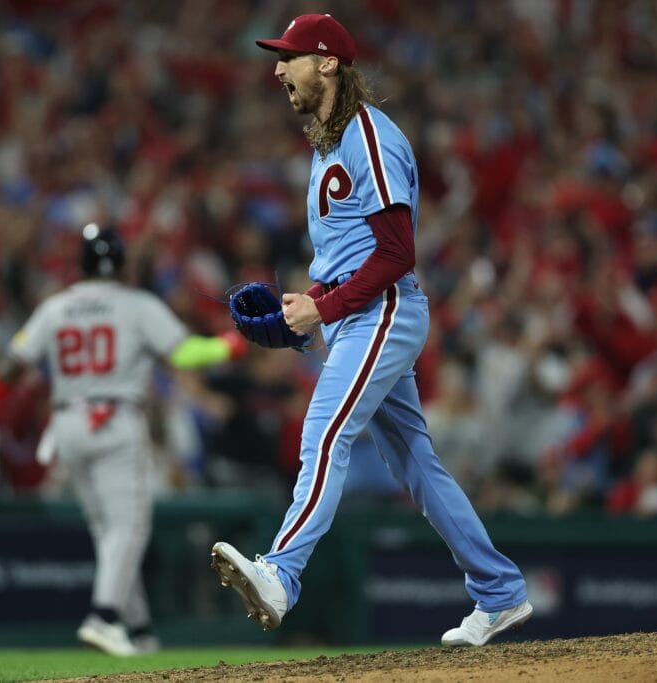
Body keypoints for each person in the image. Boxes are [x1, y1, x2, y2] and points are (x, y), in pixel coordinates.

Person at [210, 14, 532, 647]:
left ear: (328, 62)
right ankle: (500, 592)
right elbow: (354, 258)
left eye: (291, 57)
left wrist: (325, 310)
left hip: (384, 308)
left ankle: (281, 572)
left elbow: (396, 253)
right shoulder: (328, 144)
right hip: (360, 310)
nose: (278, 69)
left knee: (325, 433)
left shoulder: (368, 135)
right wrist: (302, 313)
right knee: (416, 463)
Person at [0, 223, 246, 656]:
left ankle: (140, 629)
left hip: (67, 425)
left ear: (83, 264)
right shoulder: (136, 304)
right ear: (123, 265)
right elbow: (185, 354)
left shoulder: (55, 308)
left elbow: (8, 369)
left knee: (109, 533)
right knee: (129, 529)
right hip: (114, 419)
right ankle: (104, 617)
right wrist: (231, 343)